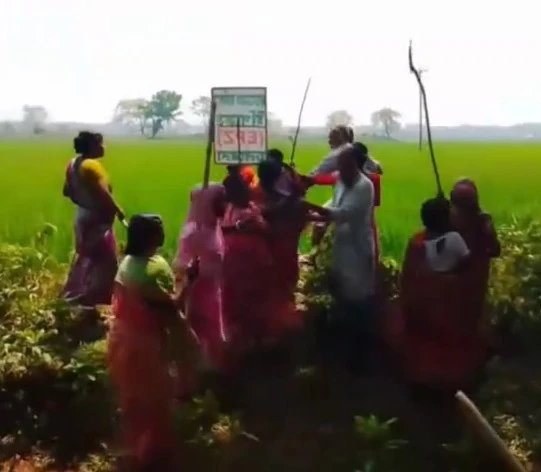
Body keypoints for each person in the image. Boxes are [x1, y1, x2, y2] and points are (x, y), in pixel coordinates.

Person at [108, 214, 199, 472]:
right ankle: (151, 458)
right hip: (144, 346)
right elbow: (173, 306)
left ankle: (135, 451)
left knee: (133, 401)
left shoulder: (128, 263)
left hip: (121, 339)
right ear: (150, 237)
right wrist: (190, 279)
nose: (164, 233)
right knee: (155, 403)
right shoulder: (151, 271)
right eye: (159, 230)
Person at [388, 196, 489, 394]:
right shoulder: (455, 240)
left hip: (421, 303)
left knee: (422, 345)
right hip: (446, 302)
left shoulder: (417, 241)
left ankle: (420, 381)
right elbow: (468, 263)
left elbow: (408, 272)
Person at [321, 146, 376, 372]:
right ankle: (345, 352)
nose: (339, 169)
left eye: (343, 164)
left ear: (354, 164)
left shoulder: (364, 186)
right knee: (343, 297)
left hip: (358, 250)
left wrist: (311, 211)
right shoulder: (342, 181)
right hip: (342, 248)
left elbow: (343, 212)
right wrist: (319, 214)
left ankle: (361, 357)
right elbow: (332, 203)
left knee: (359, 302)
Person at [62, 131, 124, 307]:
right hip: (97, 221)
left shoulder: (73, 164)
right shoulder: (91, 166)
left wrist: (84, 203)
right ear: (92, 146)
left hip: (82, 217)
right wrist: (117, 209)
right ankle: (96, 300)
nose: (104, 147)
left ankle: (78, 294)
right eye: (101, 143)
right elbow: (102, 192)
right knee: (105, 262)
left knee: (87, 257)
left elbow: (67, 191)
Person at [174, 183, 228, 371]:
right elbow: (182, 266)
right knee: (200, 337)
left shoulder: (213, 227)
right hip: (197, 294)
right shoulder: (194, 232)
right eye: (220, 201)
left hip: (212, 291)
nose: (225, 205)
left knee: (213, 336)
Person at [221, 175, 275, 356]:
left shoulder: (250, 209)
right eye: (242, 189)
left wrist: (252, 226)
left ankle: (255, 339)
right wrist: (238, 227)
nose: (247, 191)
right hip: (236, 262)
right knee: (237, 300)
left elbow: (265, 229)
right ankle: (242, 341)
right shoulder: (230, 209)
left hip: (253, 261)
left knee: (254, 299)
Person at [311, 126, 383, 176]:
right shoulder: (357, 151)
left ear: (340, 138)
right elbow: (378, 169)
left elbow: (316, 173)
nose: (329, 141)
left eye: (331, 138)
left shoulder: (336, 155)